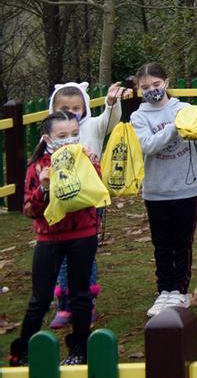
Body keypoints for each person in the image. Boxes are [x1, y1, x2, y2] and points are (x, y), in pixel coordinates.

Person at [7, 113, 102, 367]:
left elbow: (96, 193)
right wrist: (44, 187)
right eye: (62, 136)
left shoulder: (84, 158)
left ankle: (80, 349)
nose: (69, 140)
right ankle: (23, 351)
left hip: (83, 234)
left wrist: (93, 166)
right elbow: (29, 209)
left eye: (73, 134)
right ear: (48, 138)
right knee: (40, 297)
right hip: (49, 238)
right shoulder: (37, 166)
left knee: (80, 295)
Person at [46, 81, 129, 328]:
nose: (71, 112)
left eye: (76, 107)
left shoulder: (92, 126)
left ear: (84, 107)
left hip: (89, 201)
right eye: (64, 107)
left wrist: (112, 102)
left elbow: (109, 120)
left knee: (85, 252)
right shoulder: (53, 133)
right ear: (54, 108)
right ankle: (63, 304)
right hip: (60, 200)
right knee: (59, 252)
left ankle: (87, 301)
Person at [130, 63, 197, 318]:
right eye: (145, 87)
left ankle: (180, 291)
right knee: (161, 244)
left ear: (167, 82)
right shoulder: (139, 117)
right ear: (138, 90)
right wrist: (174, 126)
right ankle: (164, 290)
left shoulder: (184, 109)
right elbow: (149, 145)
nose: (152, 90)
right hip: (156, 190)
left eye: (156, 84)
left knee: (182, 242)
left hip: (186, 188)